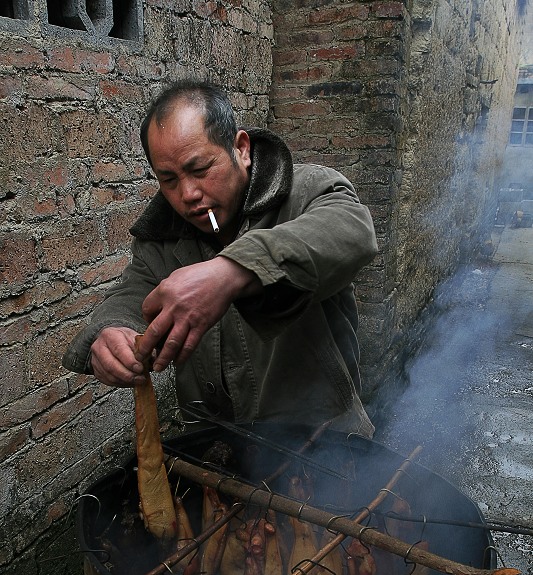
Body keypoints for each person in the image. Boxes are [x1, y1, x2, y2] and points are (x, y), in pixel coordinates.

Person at [62, 79, 378, 436]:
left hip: (323, 443)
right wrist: (110, 333)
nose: (188, 194)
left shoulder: (305, 191)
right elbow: (134, 294)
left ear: (240, 148)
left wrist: (230, 272)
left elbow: (351, 230)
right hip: (215, 448)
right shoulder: (162, 237)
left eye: (200, 170)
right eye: (168, 180)